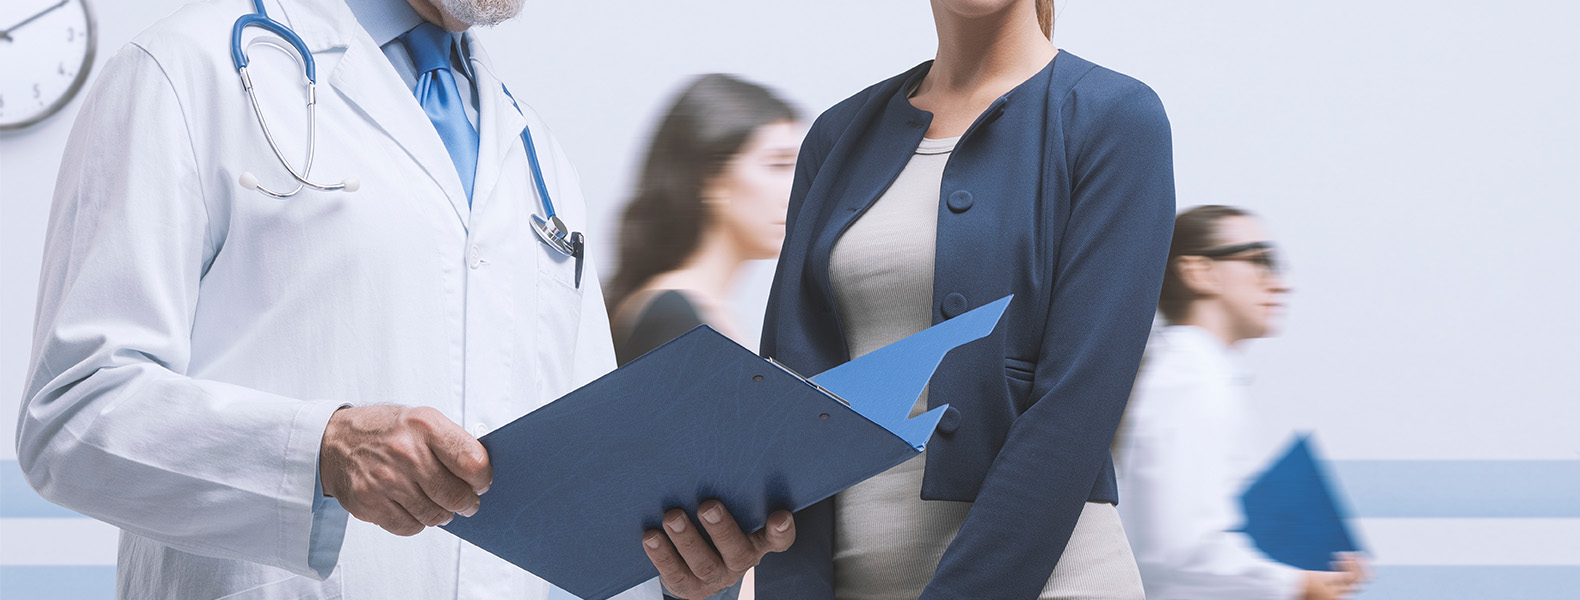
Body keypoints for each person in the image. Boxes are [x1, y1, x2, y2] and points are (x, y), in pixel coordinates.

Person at [13, 0, 788, 598]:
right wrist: (320, 449)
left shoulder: (534, 153)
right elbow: (72, 417)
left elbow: (578, 494)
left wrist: (680, 574)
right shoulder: (187, 70)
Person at [752, 0, 1175, 597]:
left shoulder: (1115, 119)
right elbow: (787, 396)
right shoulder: (835, 137)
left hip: (1055, 579)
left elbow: (1077, 405)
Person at [1114, 205, 1369, 600]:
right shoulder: (1191, 380)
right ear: (1199, 271)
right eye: (1258, 260)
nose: (1282, 284)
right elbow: (1180, 545)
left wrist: (1309, 569)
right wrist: (1295, 583)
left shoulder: (1199, 373)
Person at [606, 74, 800, 364]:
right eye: (779, 164)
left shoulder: (708, 316)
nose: (800, 187)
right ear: (710, 178)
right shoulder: (673, 318)